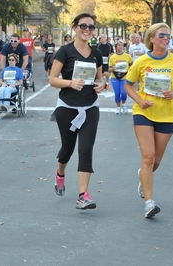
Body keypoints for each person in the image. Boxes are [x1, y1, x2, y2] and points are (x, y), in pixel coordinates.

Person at [124, 23, 173, 218]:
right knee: (148, 157)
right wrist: (139, 100)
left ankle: (144, 176)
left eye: (168, 36)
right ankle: (149, 203)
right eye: (162, 35)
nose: (166, 39)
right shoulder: (142, 61)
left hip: (167, 115)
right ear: (151, 39)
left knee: (156, 161)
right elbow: (128, 85)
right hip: (144, 113)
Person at [49, 13, 104, 210]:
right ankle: (60, 173)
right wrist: (70, 83)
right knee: (67, 149)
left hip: (90, 107)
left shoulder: (96, 53)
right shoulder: (65, 51)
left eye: (91, 27)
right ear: (75, 28)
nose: (87, 29)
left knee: (86, 149)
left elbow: (100, 78)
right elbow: (53, 79)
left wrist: (101, 84)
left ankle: (83, 195)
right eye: (83, 26)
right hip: (67, 107)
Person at [108, 41, 132, 114]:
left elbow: (132, 66)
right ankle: (118, 107)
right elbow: (109, 69)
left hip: (125, 77)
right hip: (115, 77)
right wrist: (113, 69)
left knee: (123, 93)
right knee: (117, 93)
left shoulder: (127, 56)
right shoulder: (112, 57)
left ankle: (124, 104)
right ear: (116, 47)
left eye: (122, 45)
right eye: (119, 45)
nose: (120, 47)